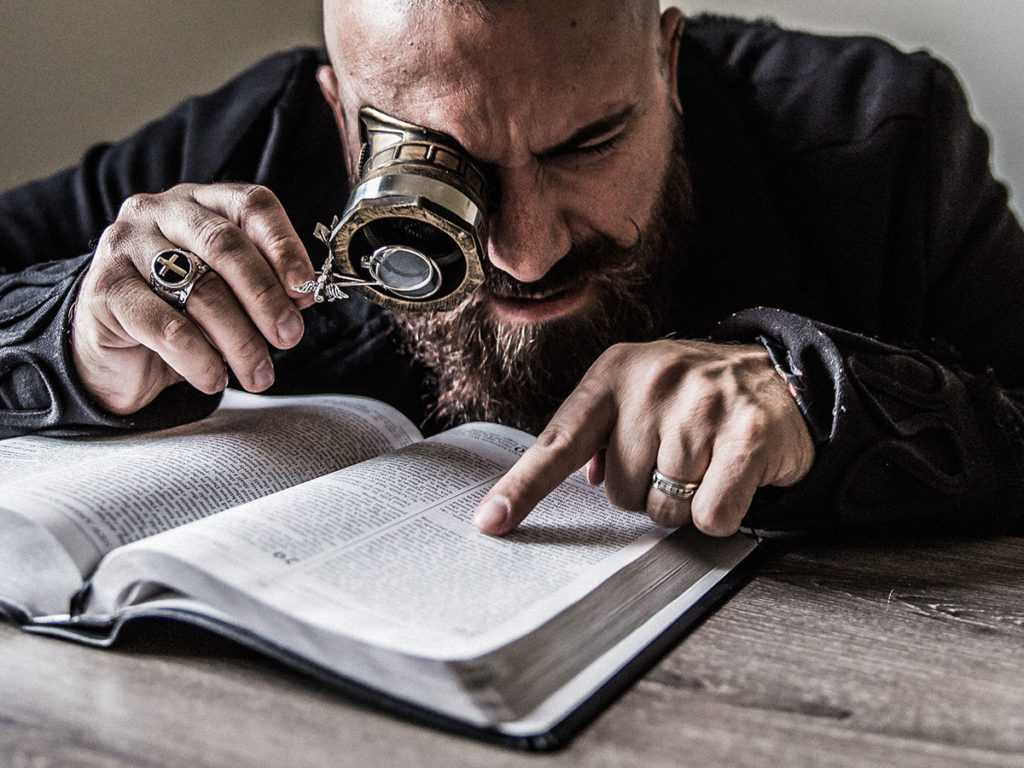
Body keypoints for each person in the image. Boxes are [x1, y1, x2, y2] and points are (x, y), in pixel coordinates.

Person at [1, 0, 1022, 540]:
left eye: (588, 143)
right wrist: (72, 334)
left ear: (667, 64)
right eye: (433, 166)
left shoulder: (877, 138)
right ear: (340, 118)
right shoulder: (252, 152)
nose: (523, 251)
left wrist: (825, 395)